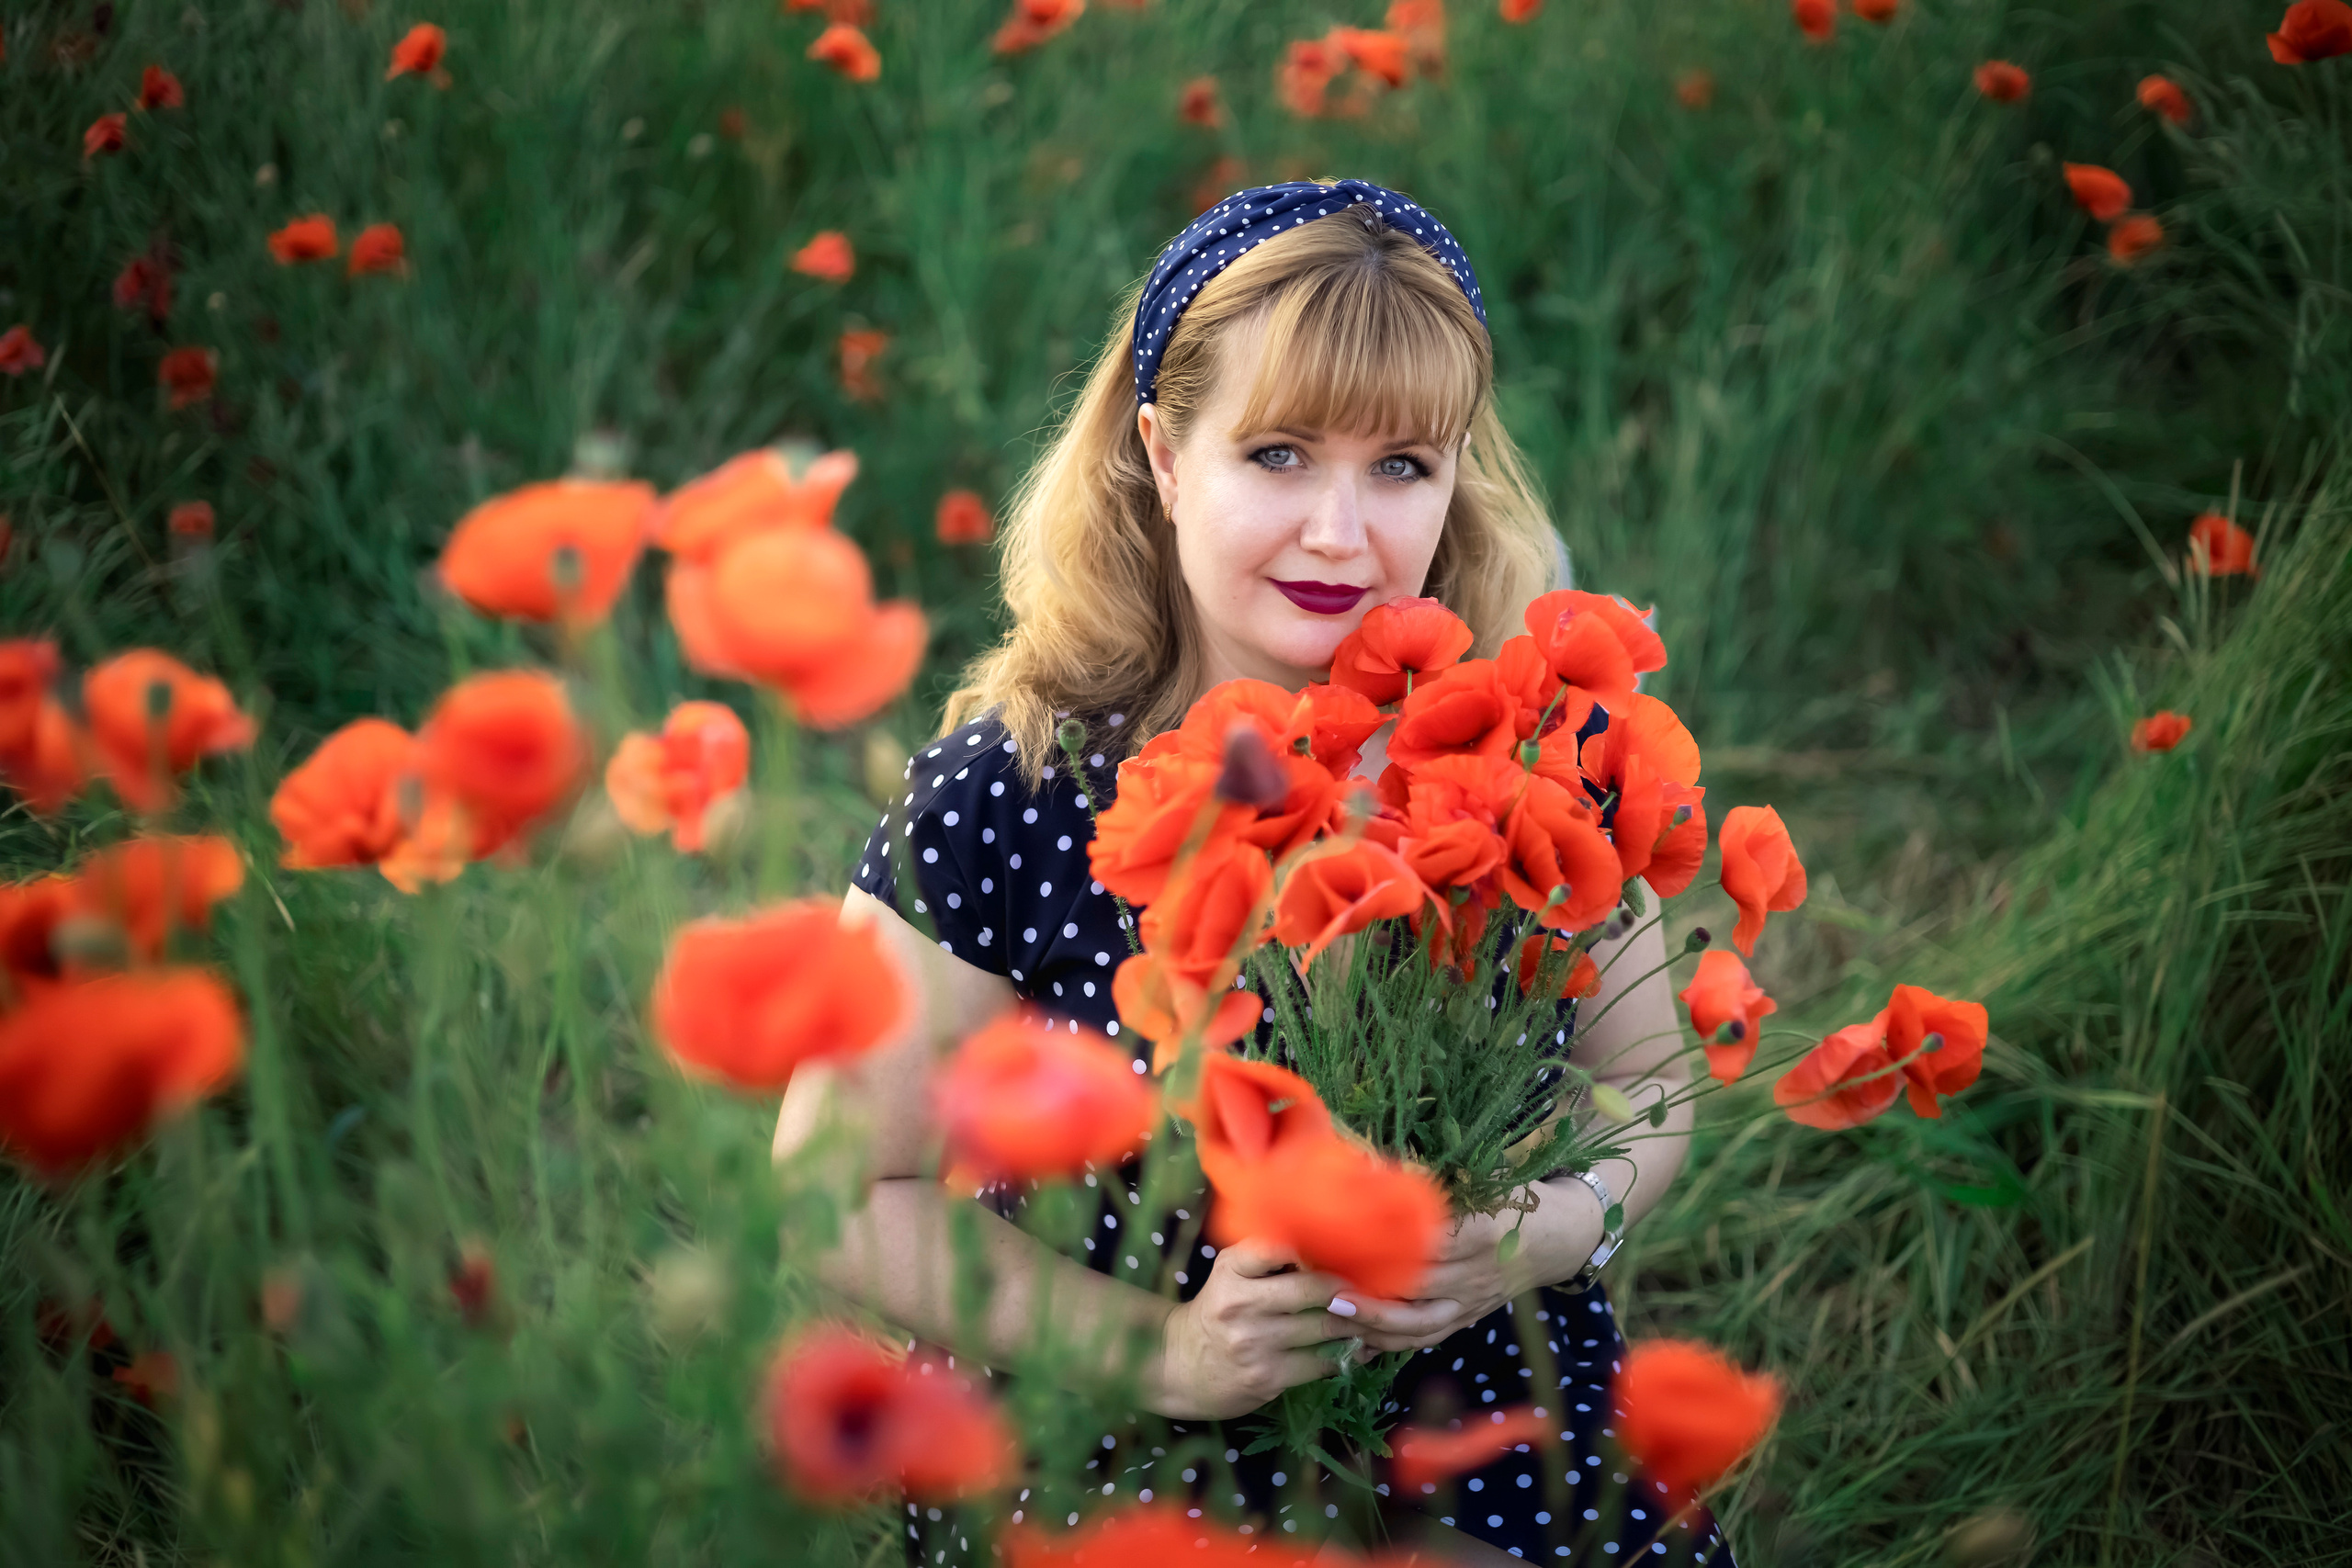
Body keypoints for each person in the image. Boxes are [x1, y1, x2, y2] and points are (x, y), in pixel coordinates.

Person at [775, 179, 1730, 1566]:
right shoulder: (1014, 790)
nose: (1342, 534)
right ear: (1162, 457)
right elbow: (839, 1189)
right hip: (1114, 1398)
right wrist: (1172, 1354)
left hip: (1474, 1366)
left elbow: (1651, 1077)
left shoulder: (1535, 748)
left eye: (1403, 465)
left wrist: (1537, 1230)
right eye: (1279, 454)